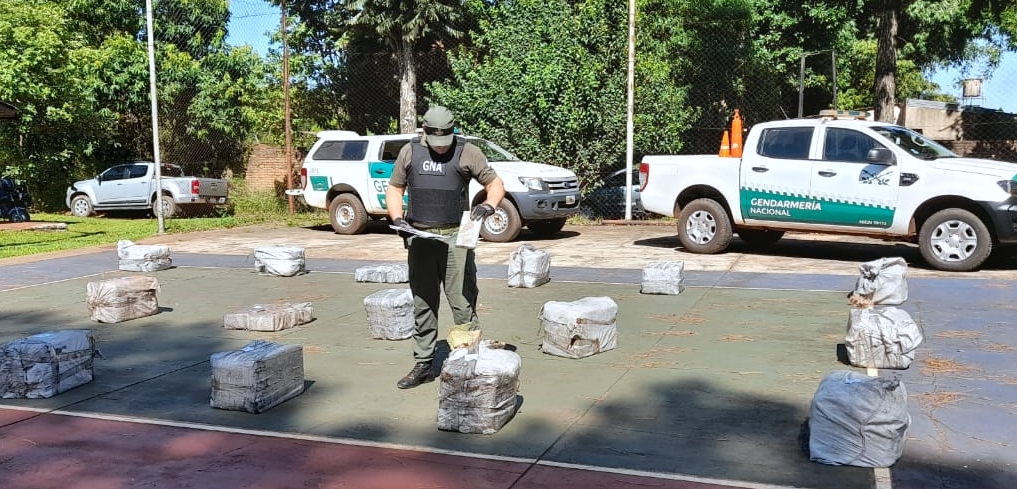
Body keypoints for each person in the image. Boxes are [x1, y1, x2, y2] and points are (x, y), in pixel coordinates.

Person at [385, 106, 506, 389]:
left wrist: (489, 205)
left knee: (462, 301)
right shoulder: (410, 152)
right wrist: (398, 219)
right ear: (424, 131)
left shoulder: (467, 151)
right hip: (420, 236)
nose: (441, 148)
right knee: (423, 301)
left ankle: (467, 364)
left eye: (446, 140)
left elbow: (495, 183)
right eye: (435, 141)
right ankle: (424, 364)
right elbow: (395, 188)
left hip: (457, 236)